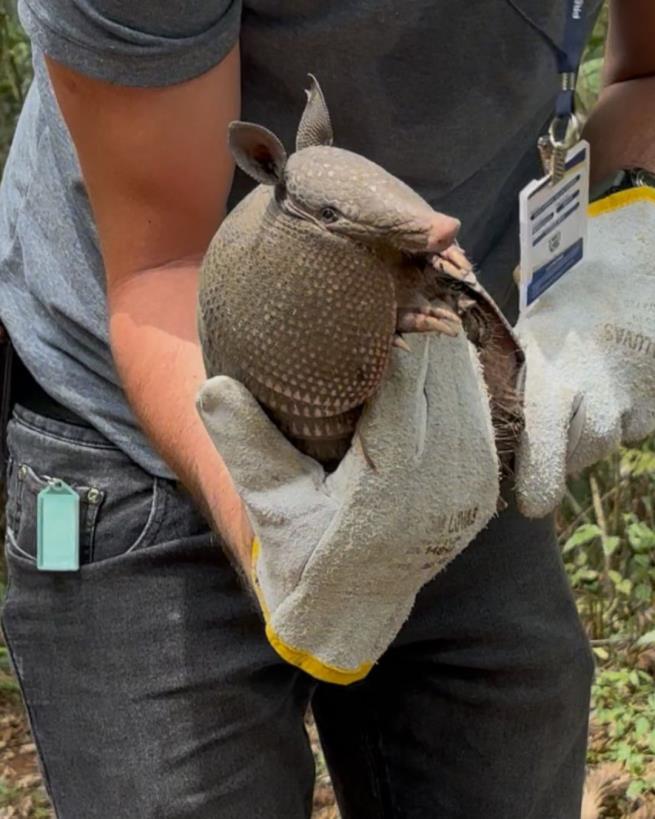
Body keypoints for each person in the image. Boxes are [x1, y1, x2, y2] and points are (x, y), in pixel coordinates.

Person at [0, 1, 653, 817]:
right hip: (136, 420)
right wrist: (290, 543)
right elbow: (162, 265)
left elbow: (643, 78)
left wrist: (631, 233)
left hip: (442, 391)